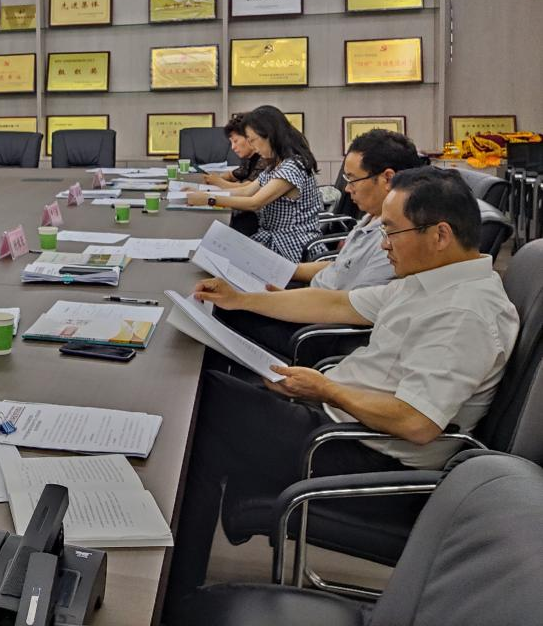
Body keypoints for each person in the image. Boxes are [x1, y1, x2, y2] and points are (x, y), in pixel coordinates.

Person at [164, 166, 518, 612]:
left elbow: (417, 422)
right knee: (208, 396)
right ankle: (179, 588)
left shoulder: (465, 313)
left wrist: (327, 390)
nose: (384, 244)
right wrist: (242, 299)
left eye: (392, 231)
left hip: (363, 455)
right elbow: (337, 302)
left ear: (440, 234)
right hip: (341, 423)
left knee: (203, 408)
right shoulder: (434, 281)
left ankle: (174, 595)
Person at [223, 128, 430, 357]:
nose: (347, 189)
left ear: (387, 178)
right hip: (312, 300)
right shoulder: (372, 216)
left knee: (224, 311)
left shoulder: (395, 239)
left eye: (352, 179)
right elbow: (342, 265)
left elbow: (345, 306)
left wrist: (260, 300)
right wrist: (277, 270)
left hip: (319, 329)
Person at [185, 106, 319, 262]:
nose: (253, 146)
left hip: (291, 245)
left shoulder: (293, 166)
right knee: (211, 251)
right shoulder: (276, 164)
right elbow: (247, 191)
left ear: (269, 135)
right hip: (273, 239)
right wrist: (204, 193)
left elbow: (254, 203)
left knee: (215, 256)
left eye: (253, 140)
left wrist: (209, 199)